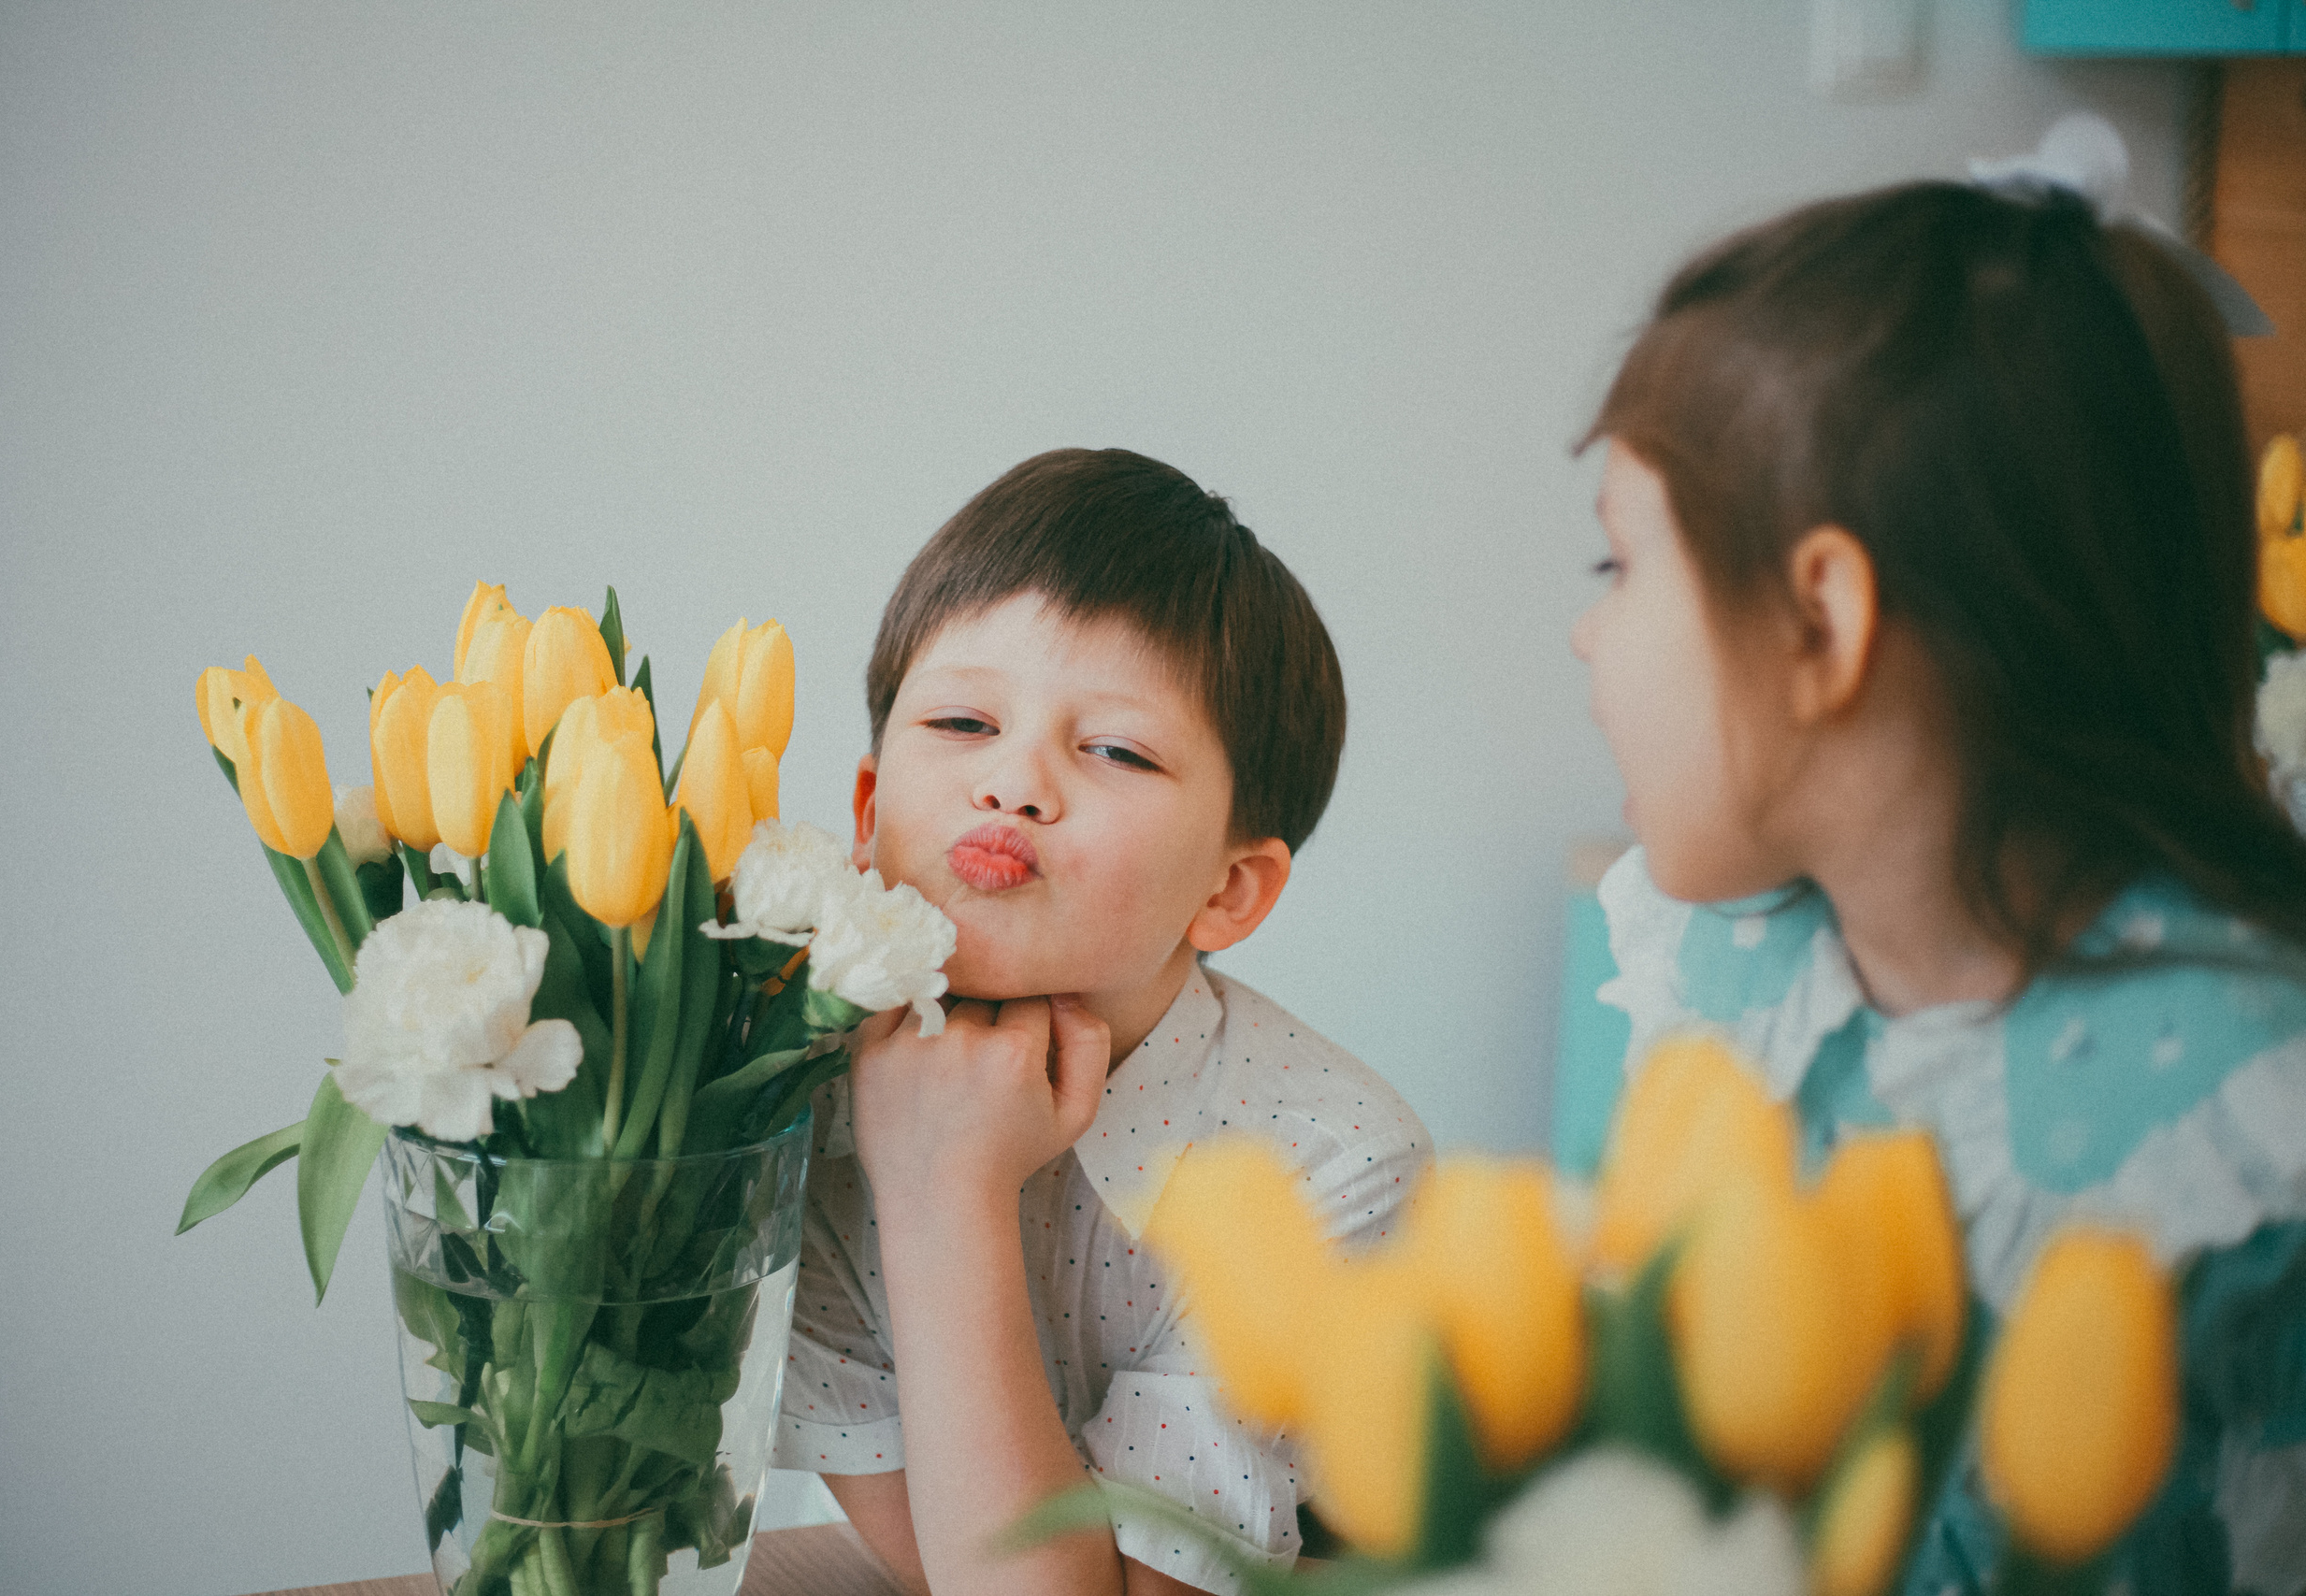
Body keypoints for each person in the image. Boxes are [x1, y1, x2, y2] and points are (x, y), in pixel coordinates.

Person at [1573, 171, 2306, 1595]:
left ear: (1822, 622)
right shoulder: (1730, 968)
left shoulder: (2250, 1128)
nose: (1589, 636)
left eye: (1621, 562)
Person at [771, 448, 1431, 1595]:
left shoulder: (1326, 1165)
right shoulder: (788, 1101)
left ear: (1231, 889)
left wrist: (942, 1194)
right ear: (869, 806)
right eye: (963, 721)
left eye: (1115, 749)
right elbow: (953, 1573)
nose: (1013, 784)